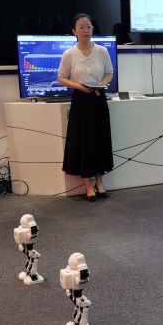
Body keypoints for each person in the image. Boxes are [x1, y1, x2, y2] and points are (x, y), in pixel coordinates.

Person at [59, 13, 115, 201]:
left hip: (98, 98)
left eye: (88, 26)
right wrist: (78, 86)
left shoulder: (102, 51)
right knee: (84, 141)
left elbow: (109, 73)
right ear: (74, 31)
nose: (86, 30)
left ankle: (100, 182)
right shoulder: (69, 54)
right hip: (81, 101)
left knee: (100, 139)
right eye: (81, 27)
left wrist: (101, 84)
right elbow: (61, 77)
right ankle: (88, 185)